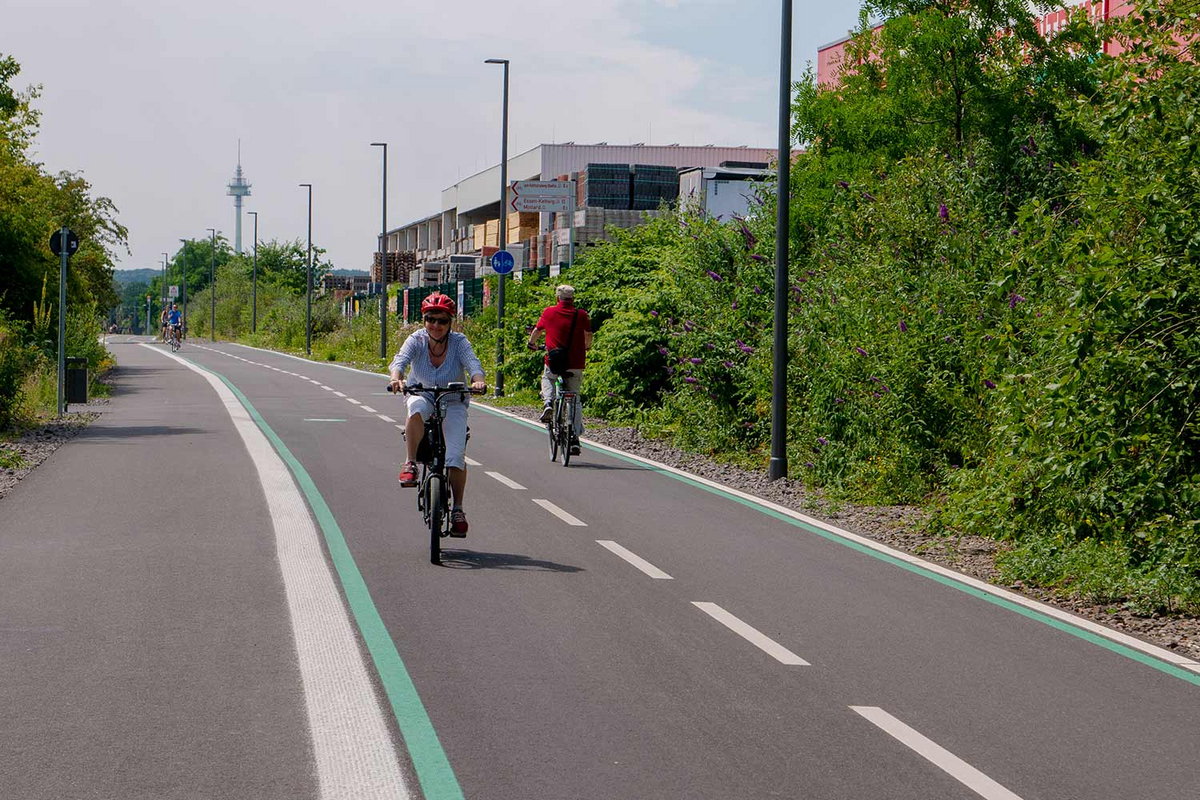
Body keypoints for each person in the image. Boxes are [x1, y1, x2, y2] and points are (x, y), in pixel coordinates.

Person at [389, 293, 486, 536]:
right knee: (416, 409)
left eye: (442, 321)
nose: (436, 325)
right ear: (424, 320)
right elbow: (400, 361)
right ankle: (410, 463)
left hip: (453, 400)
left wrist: (478, 382)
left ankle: (458, 510)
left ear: (450, 323)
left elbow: (473, 365)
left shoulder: (459, 342)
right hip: (422, 393)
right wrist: (396, 380)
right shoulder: (416, 339)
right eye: (431, 319)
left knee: (455, 456)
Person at [527, 284, 591, 455]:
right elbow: (588, 335)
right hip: (576, 363)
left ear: (558, 298)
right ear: (573, 299)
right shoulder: (581, 314)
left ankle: (548, 403)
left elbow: (537, 330)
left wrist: (531, 344)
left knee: (547, 378)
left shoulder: (549, 312)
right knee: (575, 398)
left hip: (554, 361)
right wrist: (586, 347)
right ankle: (575, 438)